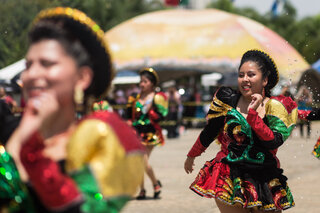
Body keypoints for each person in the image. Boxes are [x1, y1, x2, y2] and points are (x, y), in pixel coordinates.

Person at [4, 7, 144, 212]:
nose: (32, 74)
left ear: (81, 78)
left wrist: (32, 153)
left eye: (47, 63)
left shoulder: (102, 137)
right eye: (28, 65)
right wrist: (21, 136)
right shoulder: (8, 128)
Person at [184, 49, 297, 212]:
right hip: (229, 175)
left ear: (265, 80)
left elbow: (273, 141)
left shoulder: (275, 107)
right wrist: (192, 155)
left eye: (251, 75)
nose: (245, 79)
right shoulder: (227, 100)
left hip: (264, 177)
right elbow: (210, 131)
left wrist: (253, 115)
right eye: (241, 75)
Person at [126, 67, 168, 199]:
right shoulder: (134, 98)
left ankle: (155, 184)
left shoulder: (157, 98)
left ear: (152, 84)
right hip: (136, 133)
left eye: (145, 81)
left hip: (150, 133)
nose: (142, 84)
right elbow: (128, 116)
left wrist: (151, 111)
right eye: (141, 81)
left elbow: (162, 116)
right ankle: (143, 189)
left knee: (142, 161)